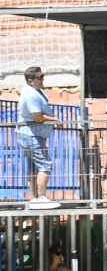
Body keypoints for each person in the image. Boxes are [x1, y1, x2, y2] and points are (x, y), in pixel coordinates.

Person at [18, 65, 58, 210]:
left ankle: (35, 198)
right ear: (30, 80)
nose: (42, 80)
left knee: (33, 167)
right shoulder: (31, 94)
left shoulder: (34, 91)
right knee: (45, 165)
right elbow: (38, 117)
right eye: (39, 78)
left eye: (42, 77)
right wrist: (55, 120)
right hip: (32, 135)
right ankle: (41, 198)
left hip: (29, 133)